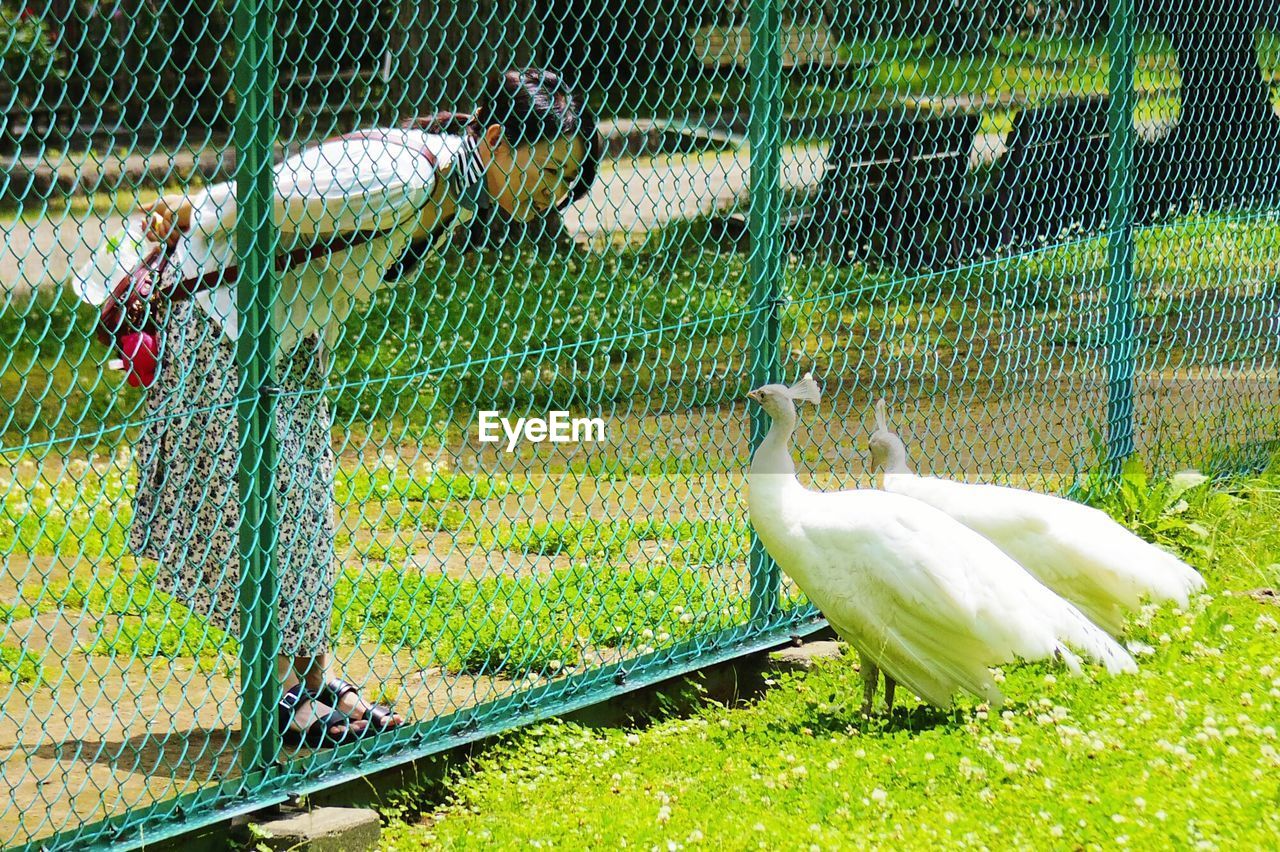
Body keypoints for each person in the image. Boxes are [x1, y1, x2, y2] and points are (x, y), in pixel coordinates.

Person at [132, 68, 600, 747]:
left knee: (309, 505)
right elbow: (265, 196)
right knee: (276, 503)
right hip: (222, 321)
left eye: (568, 180)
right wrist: (188, 211)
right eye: (552, 170)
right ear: (496, 139)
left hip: (286, 337)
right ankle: (278, 697)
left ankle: (312, 684)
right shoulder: (404, 175)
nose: (556, 193)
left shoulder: (448, 190)